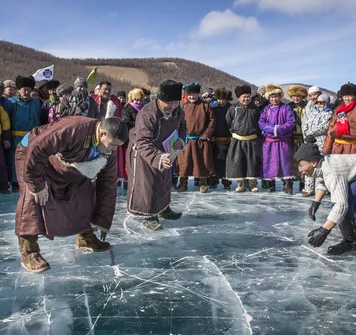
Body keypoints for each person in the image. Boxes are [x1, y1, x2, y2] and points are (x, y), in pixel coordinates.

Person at [15, 116, 127, 273]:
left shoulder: (108, 150)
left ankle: (86, 237)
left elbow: (108, 184)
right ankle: (29, 252)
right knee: (32, 198)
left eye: (118, 147)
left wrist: (103, 219)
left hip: (66, 164)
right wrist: (36, 185)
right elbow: (37, 148)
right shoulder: (73, 130)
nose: (114, 150)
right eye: (113, 145)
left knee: (85, 191)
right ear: (101, 134)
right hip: (32, 154)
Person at [296, 137, 356, 255]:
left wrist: (324, 230)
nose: (300, 170)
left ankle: (351, 243)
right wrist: (316, 202)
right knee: (345, 193)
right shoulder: (322, 161)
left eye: (302, 165)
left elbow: (341, 204)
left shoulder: (331, 170)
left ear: (313, 162)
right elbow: (324, 180)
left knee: (343, 196)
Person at [126, 80, 186, 231]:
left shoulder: (178, 111)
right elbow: (143, 141)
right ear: (160, 99)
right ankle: (148, 215)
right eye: (169, 103)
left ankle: (164, 209)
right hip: (144, 150)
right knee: (148, 183)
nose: (172, 106)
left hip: (165, 148)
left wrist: (180, 140)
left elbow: (183, 127)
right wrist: (157, 157)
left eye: (175, 102)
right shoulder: (147, 113)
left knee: (164, 180)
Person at [175, 82, 216, 193]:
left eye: (194, 94)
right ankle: (183, 183)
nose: (192, 97)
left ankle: (202, 184)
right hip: (186, 140)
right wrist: (179, 136)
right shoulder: (182, 106)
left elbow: (212, 121)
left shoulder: (205, 105)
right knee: (184, 163)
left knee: (202, 162)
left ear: (198, 94)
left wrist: (206, 134)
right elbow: (176, 121)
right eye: (190, 95)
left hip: (201, 139)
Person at [5, 76, 42, 192]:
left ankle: (29, 180)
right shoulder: (11, 103)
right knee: (15, 159)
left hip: (31, 135)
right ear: (18, 90)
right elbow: (6, 120)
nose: (26, 92)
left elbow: (38, 118)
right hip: (16, 135)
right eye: (23, 89)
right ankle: (15, 182)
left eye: (28, 89)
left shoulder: (36, 103)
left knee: (30, 158)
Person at [259, 84, 296, 194]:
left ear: (280, 97)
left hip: (283, 141)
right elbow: (261, 123)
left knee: (286, 163)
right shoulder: (266, 109)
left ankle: (288, 185)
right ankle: (271, 184)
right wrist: (272, 129)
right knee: (270, 162)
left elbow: (290, 122)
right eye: (272, 97)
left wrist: (278, 129)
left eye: (276, 97)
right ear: (269, 98)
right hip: (269, 141)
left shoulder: (286, 108)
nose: (274, 99)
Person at [226, 85, 261, 192]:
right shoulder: (233, 108)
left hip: (252, 140)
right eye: (244, 97)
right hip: (237, 140)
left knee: (252, 162)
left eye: (248, 96)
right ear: (239, 98)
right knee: (238, 162)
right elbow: (228, 121)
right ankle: (241, 184)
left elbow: (259, 122)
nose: (246, 99)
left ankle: (252, 184)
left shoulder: (255, 108)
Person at [323, 83, 356, 155]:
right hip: (337, 148)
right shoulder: (338, 110)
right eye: (345, 96)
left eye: (349, 96)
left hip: (354, 148)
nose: (347, 99)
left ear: (355, 96)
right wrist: (325, 151)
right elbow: (330, 131)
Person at [301, 93, 333, 196]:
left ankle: (320, 189)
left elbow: (324, 127)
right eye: (318, 102)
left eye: (322, 102)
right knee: (308, 163)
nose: (319, 104)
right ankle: (308, 188)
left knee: (319, 165)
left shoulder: (329, 113)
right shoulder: (313, 111)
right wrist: (306, 132)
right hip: (309, 141)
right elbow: (305, 123)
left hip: (321, 141)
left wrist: (311, 132)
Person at [210, 88, 233, 190]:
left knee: (227, 163)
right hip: (215, 140)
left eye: (224, 99)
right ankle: (214, 181)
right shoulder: (213, 108)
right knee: (214, 162)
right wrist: (211, 136)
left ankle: (226, 182)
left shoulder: (231, 108)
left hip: (228, 139)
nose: (222, 101)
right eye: (220, 99)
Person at [287, 85, 308, 192]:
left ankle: (303, 183)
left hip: (303, 138)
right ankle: (288, 184)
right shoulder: (288, 106)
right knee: (290, 161)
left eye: (298, 96)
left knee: (303, 161)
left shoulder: (307, 106)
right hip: (291, 138)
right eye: (294, 96)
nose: (296, 98)